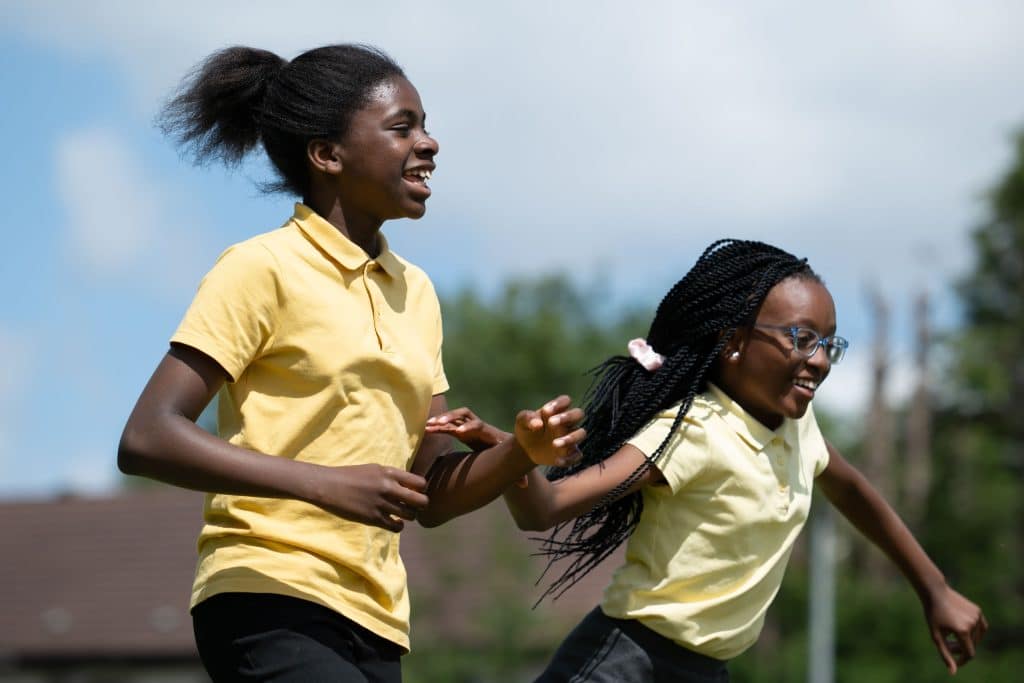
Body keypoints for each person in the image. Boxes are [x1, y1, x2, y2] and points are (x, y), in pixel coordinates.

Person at [117, 43, 584, 683]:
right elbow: (148, 436)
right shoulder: (261, 268)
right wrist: (324, 482)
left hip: (376, 615)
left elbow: (430, 494)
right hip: (265, 593)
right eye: (403, 127)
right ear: (328, 155)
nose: (430, 143)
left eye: (424, 125)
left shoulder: (415, 292)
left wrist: (518, 454)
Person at [428, 239, 988, 682]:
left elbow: (854, 493)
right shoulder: (693, 431)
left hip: (706, 670)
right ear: (734, 342)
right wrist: (511, 451)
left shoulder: (800, 428)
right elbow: (545, 508)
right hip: (626, 664)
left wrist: (934, 589)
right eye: (801, 338)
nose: (818, 360)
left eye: (829, 344)